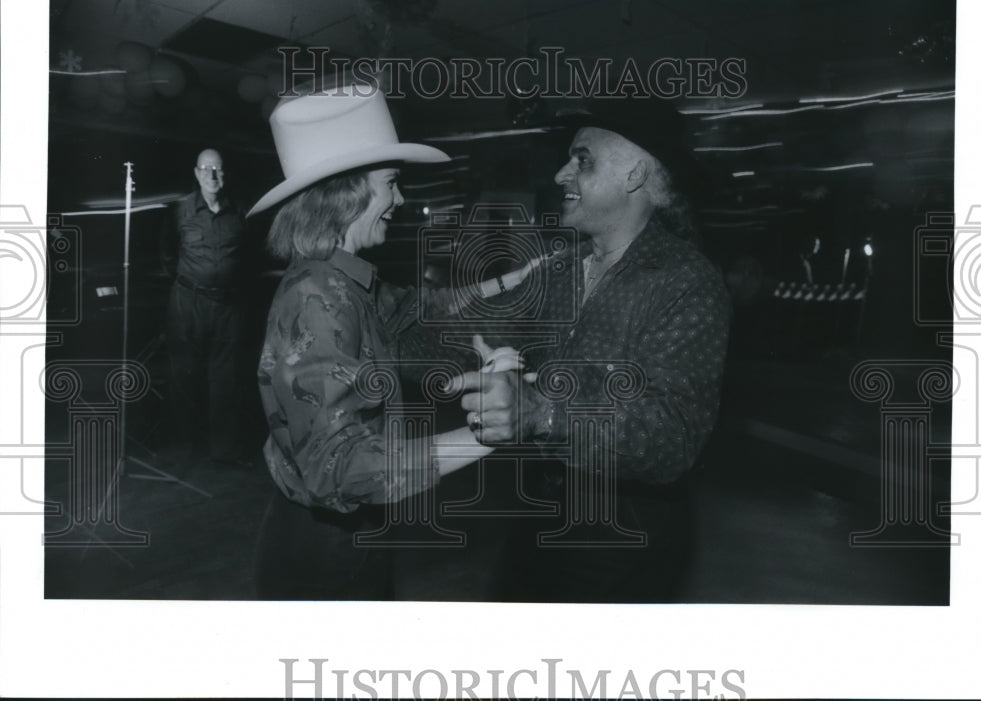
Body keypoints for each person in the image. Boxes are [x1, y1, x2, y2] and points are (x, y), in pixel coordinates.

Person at [249, 83, 533, 600]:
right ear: (348, 192)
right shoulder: (319, 296)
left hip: (344, 530)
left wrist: (504, 283)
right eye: (391, 184)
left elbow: (416, 309)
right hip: (323, 544)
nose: (400, 201)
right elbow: (337, 468)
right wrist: (490, 432)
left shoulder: (342, 280)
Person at [450, 104, 732, 602]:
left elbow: (672, 435)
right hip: (540, 512)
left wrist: (542, 412)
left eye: (582, 161)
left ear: (634, 174)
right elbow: (475, 325)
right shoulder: (561, 268)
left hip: (623, 539)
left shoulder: (685, 282)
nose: (562, 174)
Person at [160, 148, 254, 467]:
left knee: (226, 381)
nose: (213, 175)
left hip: (228, 306)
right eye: (206, 169)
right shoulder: (180, 211)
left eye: (218, 169)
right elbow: (167, 256)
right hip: (188, 303)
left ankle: (224, 452)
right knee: (183, 377)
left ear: (224, 174)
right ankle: (183, 449)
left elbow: (249, 258)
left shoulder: (240, 211)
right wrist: (193, 284)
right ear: (197, 173)